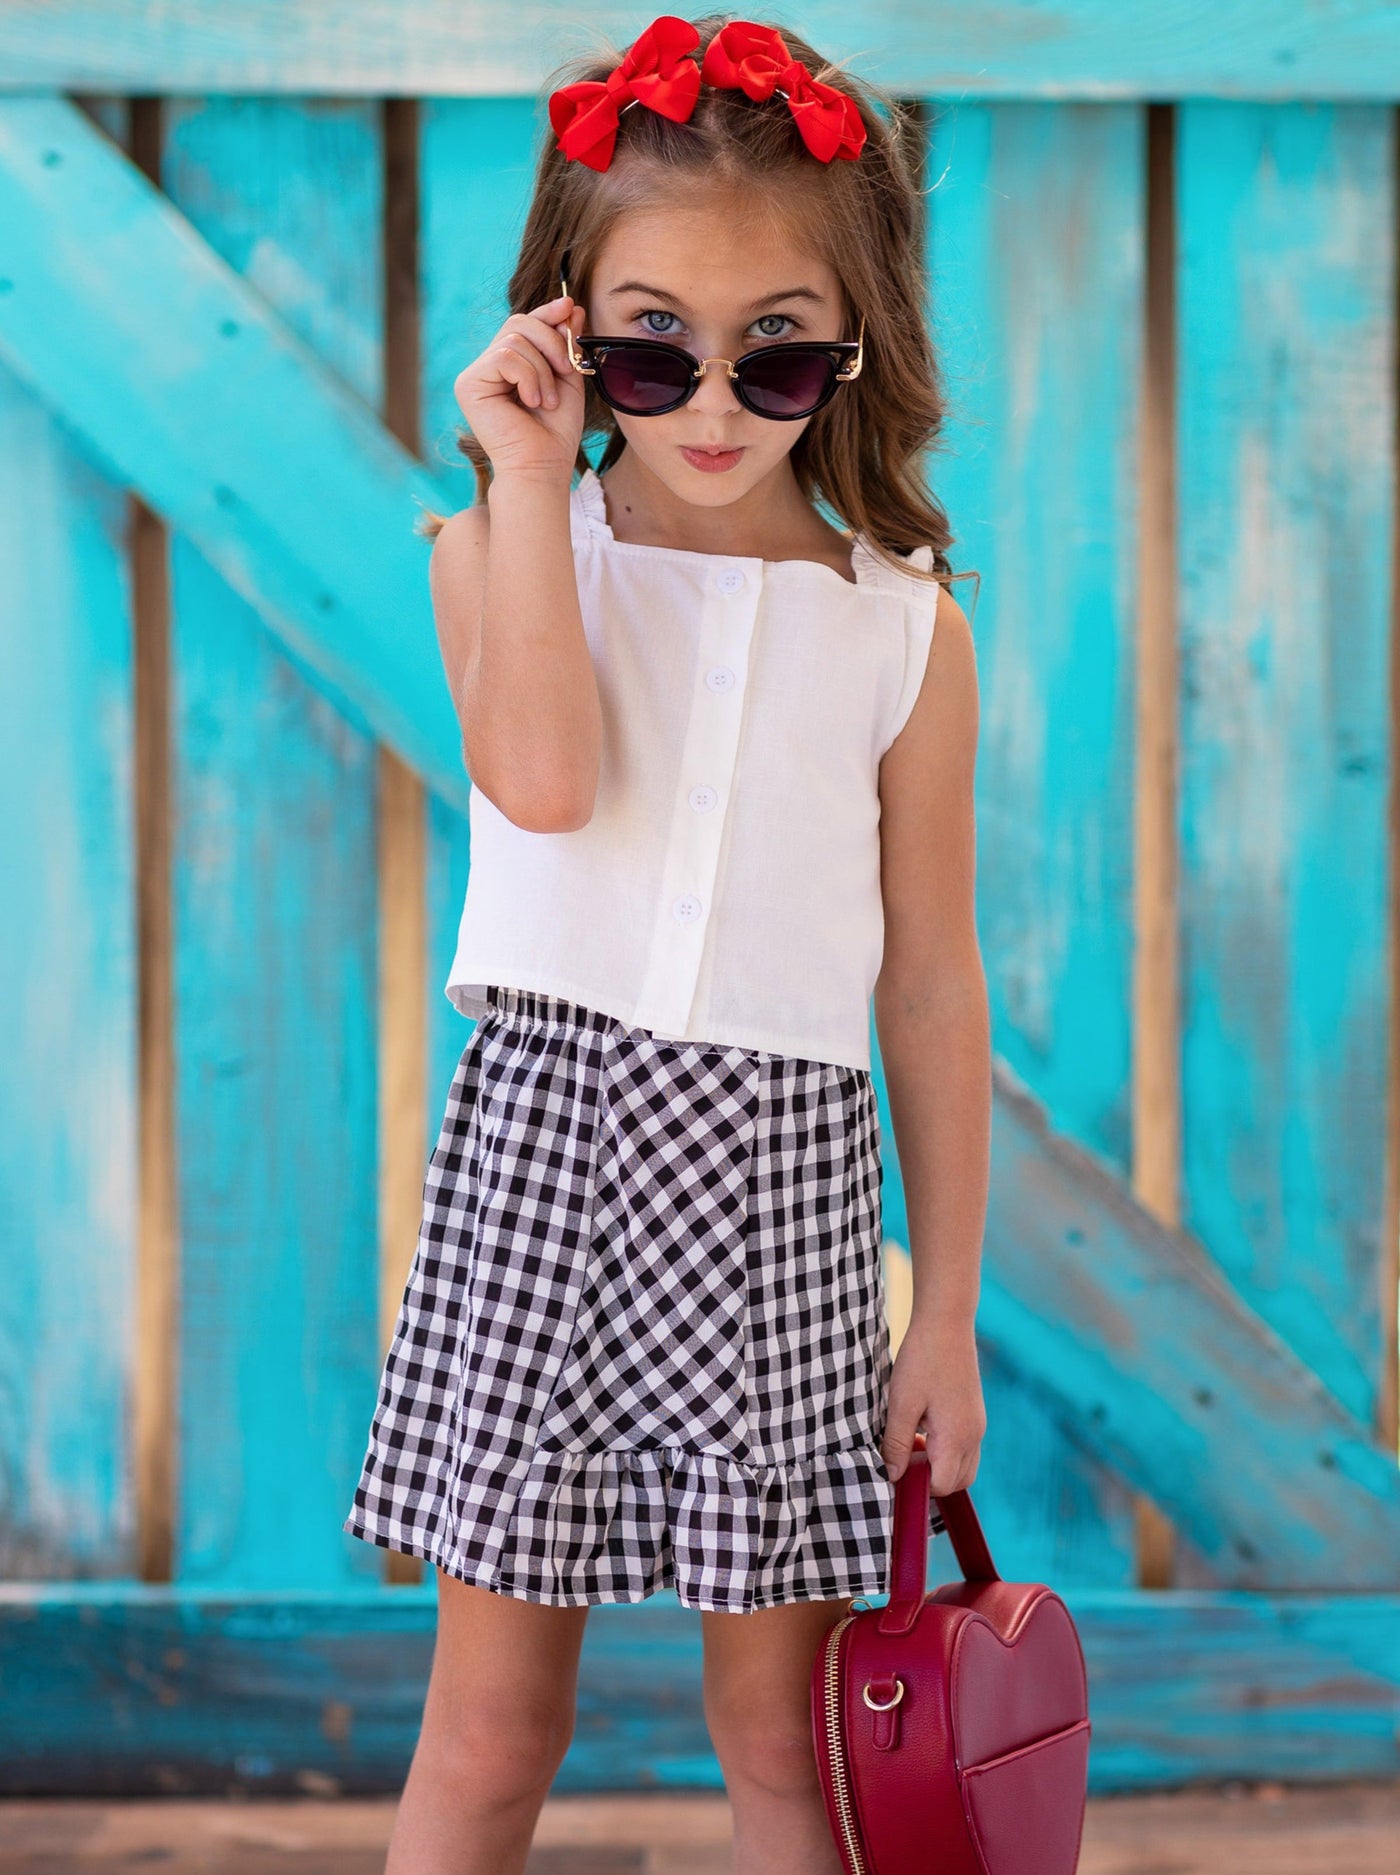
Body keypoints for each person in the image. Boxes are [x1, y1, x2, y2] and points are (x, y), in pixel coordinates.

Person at [344, 14, 990, 1873]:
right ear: (568, 329)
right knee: (489, 1728)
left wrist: (936, 1308)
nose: (707, 406)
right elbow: (541, 784)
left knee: (783, 1745)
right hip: (548, 1162)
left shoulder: (903, 633)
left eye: (774, 356)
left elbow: (930, 985)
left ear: (854, 345)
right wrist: (527, 478)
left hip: (782, 1196)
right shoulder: (503, 551)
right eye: (651, 346)